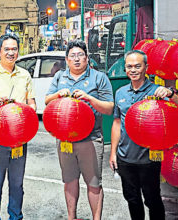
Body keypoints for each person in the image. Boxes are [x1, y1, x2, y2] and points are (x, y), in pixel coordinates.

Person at [109, 50, 178, 220]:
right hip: (125, 157)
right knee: (132, 199)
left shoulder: (157, 91)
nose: (133, 70)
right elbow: (117, 123)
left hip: (149, 159)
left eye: (138, 66)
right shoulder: (120, 92)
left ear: (146, 67)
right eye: (129, 66)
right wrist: (113, 153)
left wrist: (171, 94)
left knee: (152, 200)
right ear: (125, 69)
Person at [45, 40, 114, 220]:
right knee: (69, 181)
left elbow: (108, 108)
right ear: (67, 60)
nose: (76, 60)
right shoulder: (60, 77)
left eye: (80, 55)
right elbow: (47, 101)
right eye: (72, 56)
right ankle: (71, 217)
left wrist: (89, 99)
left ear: (87, 58)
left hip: (90, 139)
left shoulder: (99, 77)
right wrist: (57, 94)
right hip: (65, 141)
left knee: (93, 184)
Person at [0, 34, 36, 220]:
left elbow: (32, 104)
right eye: (7, 49)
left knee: (17, 184)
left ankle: (15, 216)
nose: (11, 53)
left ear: (18, 51)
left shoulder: (24, 74)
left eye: (14, 49)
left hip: (19, 139)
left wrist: (25, 110)